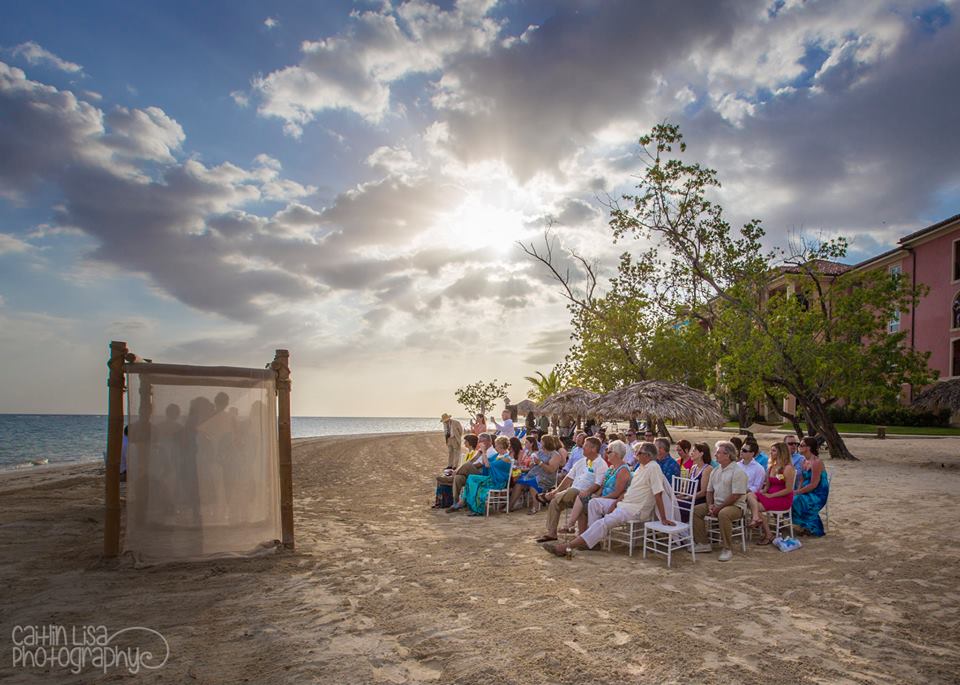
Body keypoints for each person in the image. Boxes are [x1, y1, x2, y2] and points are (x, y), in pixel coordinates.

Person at [541, 441, 676, 558]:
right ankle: (593, 542)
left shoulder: (653, 468)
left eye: (639, 453)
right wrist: (617, 502)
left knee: (604, 522)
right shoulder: (641, 467)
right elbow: (629, 490)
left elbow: (658, 494)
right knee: (594, 503)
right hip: (625, 503)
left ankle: (567, 546)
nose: (636, 455)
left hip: (636, 509)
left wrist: (663, 518)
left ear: (647, 455)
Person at [534, 436, 607, 542]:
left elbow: (598, 484)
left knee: (570, 492)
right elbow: (568, 478)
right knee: (555, 502)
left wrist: (587, 491)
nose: (583, 447)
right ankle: (552, 533)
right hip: (571, 494)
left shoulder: (601, 464)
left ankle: (549, 496)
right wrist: (557, 490)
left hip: (586, 495)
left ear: (593, 449)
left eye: (586, 446)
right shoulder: (581, 462)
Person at [692, 441, 748, 562]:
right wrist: (710, 505)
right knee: (695, 511)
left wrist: (718, 508)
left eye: (718, 453)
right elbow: (709, 491)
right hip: (717, 504)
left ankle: (727, 548)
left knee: (724, 514)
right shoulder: (715, 470)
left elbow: (736, 495)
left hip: (736, 506)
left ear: (727, 455)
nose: (715, 455)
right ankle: (703, 543)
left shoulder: (738, 472)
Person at [563, 439, 632, 536]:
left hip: (612, 500)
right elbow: (602, 486)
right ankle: (579, 532)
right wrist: (595, 494)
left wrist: (600, 498)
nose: (606, 453)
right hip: (604, 498)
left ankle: (587, 534)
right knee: (582, 497)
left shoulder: (623, 470)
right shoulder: (612, 468)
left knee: (590, 502)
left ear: (616, 454)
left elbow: (617, 493)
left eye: (608, 451)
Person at [447, 436, 514, 515]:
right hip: (490, 478)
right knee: (470, 478)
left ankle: (467, 504)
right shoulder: (497, 455)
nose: (495, 446)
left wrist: (484, 452)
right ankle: (464, 502)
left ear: (501, 445)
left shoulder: (506, 458)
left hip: (496, 481)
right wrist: (482, 452)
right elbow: (484, 461)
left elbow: (487, 465)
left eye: (496, 444)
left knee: (471, 477)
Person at [746, 441, 796, 544]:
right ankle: (758, 520)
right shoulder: (771, 467)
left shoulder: (787, 468)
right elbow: (767, 486)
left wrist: (771, 495)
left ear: (780, 452)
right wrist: (763, 493)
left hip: (782, 498)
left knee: (752, 505)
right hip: (769, 495)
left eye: (773, 450)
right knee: (750, 496)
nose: (770, 453)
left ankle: (767, 533)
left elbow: (789, 489)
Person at [511, 434, 563, 513]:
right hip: (533, 474)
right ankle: (510, 506)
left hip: (546, 477)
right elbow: (533, 465)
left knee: (533, 484)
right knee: (518, 483)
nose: (540, 444)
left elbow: (551, 470)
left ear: (547, 443)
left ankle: (535, 507)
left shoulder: (555, 455)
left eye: (541, 442)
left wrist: (540, 463)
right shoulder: (540, 452)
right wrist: (532, 463)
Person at [792, 437, 830, 536]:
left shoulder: (816, 462)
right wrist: (797, 490)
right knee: (791, 497)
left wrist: (798, 492)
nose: (798, 447)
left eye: (801, 445)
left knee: (798, 499)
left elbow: (814, 484)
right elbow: (802, 479)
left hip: (818, 493)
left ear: (808, 448)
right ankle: (803, 525)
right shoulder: (803, 461)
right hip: (807, 489)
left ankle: (813, 528)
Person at [434, 434, 478, 508]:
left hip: (469, 474)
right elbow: (462, 466)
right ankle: (441, 502)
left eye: (466, 441)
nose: (464, 443)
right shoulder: (468, 453)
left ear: (470, 442)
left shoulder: (475, 453)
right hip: (462, 474)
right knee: (453, 477)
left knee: (453, 477)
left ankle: (451, 478)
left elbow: (470, 466)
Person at [452, 432, 495, 502]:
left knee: (467, 466)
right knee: (458, 478)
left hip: (482, 474)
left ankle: (452, 476)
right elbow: (471, 461)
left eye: (481, 441)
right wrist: (477, 454)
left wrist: (465, 468)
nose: (479, 443)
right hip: (473, 472)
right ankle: (455, 502)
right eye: (479, 441)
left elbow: (479, 465)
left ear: (488, 441)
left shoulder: (491, 452)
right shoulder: (481, 451)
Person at [679, 442, 712, 523]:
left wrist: (688, 497)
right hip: (691, 498)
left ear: (701, 454)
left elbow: (703, 492)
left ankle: (684, 529)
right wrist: (681, 495)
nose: (691, 453)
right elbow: (688, 487)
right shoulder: (693, 467)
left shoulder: (707, 469)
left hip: (699, 500)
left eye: (694, 451)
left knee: (678, 505)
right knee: (673, 501)